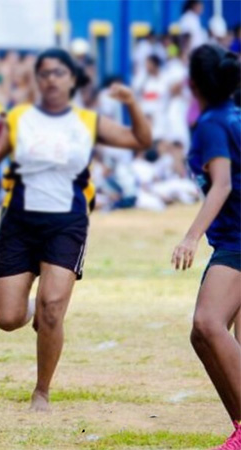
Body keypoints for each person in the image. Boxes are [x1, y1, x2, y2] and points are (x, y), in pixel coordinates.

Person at [0, 48, 152, 412]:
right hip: (18, 222)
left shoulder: (87, 121)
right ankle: (33, 308)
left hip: (67, 222)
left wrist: (132, 104)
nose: (51, 79)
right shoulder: (20, 118)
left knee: (54, 309)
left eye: (59, 72)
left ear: (72, 79)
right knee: (7, 318)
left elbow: (141, 140)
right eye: (44, 73)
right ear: (37, 80)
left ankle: (41, 391)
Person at [172, 44, 240, 450]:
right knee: (209, 335)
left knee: (207, 325)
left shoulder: (213, 123)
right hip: (233, 238)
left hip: (236, 240)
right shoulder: (232, 115)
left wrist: (191, 236)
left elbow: (223, 184)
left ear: (193, 83)